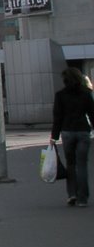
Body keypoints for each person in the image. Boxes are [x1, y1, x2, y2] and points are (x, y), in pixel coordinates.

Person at [50, 67, 94, 207]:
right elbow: (92, 114)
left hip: (67, 132)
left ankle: (72, 194)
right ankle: (83, 198)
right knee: (82, 165)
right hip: (83, 132)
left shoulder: (60, 95)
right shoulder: (86, 94)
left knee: (71, 164)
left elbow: (58, 117)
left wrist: (54, 136)